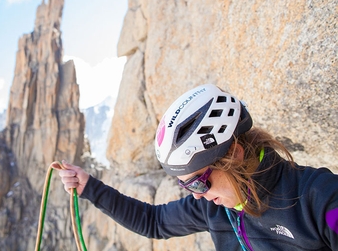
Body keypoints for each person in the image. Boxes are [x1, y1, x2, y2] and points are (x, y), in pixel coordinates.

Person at [57, 83, 338, 250]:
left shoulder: (320, 199)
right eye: (185, 184)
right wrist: (89, 187)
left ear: (234, 155)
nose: (195, 194)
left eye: (197, 182)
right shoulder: (214, 208)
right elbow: (153, 221)